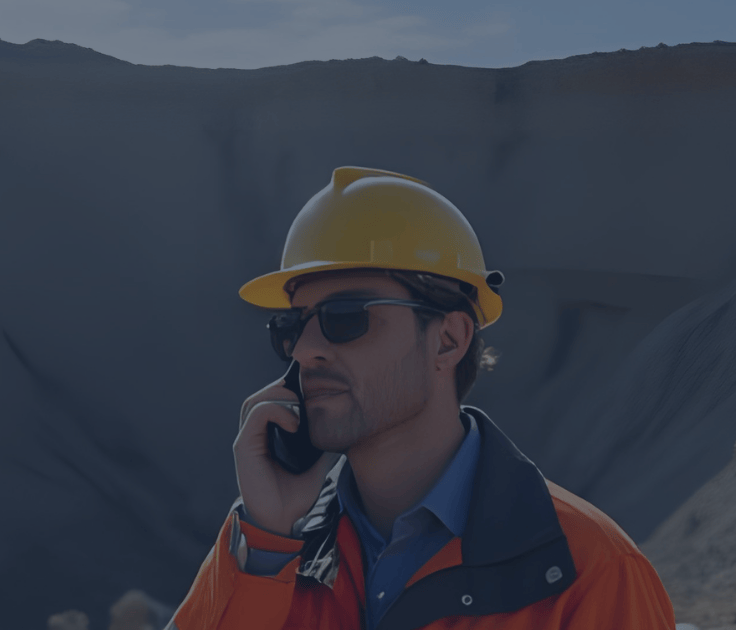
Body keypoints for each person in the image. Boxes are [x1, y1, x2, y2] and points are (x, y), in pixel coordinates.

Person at [169, 166, 676, 629]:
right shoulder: (268, 546)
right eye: (291, 326)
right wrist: (263, 544)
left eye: (345, 318)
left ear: (448, 339)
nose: (304, 351)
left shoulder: (592, 571)